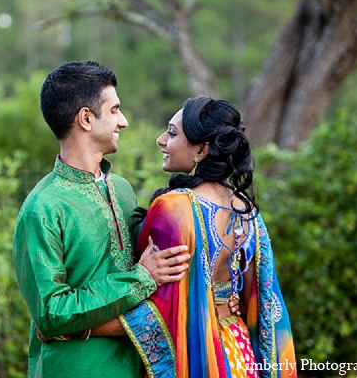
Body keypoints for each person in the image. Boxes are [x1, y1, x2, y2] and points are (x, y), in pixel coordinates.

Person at [12, 61, 190, 378]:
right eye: (115, 110)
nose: (123, 121)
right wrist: (140, 278)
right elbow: (51, 313)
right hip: (78, 369)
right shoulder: (43, 207)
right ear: (86, 119)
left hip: (139, 365)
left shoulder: (121, 190)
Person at [121, 97, 297, 377]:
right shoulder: (247, 210)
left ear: (202, 149)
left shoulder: (176, 208)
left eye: (172, 132)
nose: (160, 140)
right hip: (240, 352)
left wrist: (84, 325)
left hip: (197, 355)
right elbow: (258, 298)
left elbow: (159, 303)